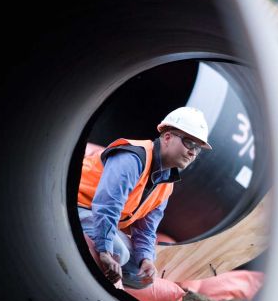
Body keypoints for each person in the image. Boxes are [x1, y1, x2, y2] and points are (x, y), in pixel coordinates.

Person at [77, 106, 212, 288]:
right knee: (118, 253)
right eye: (189, 143)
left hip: (97, 218)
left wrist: (146, 259)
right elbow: (107, 205)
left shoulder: (166, 183)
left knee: (141, 276)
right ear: (167, 137)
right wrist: (104, 250)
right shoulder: (132, 158)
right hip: (77, 206)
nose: (193, 152)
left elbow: (146, 229)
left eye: (198, 149)